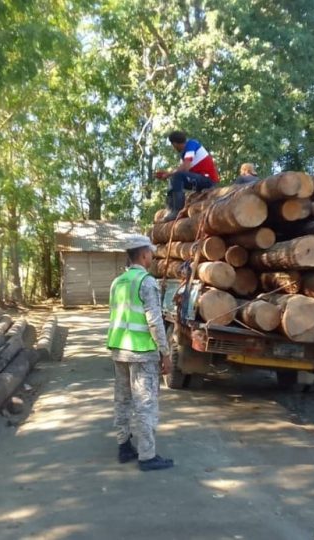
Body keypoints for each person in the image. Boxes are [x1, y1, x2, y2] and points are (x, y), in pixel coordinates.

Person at [107, 234, 174, 471]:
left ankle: (124, 446)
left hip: (119, 350)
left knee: (123, 400)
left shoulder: (118, 282)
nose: (152, 257)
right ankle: (147, 456)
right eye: (151, 253)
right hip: (142, 352)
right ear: (143, 254)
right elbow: (154, 322)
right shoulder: (146, 282)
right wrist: (165, 353)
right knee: (145, 403)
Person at [155, 130, 219, 222]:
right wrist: (167, 173)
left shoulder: (191, 145)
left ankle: (176, 210)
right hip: (200, 179)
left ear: (174, 144)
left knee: (176, 176)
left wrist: (168, 174)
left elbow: (185, 168)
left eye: (173, 145)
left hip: (208, 180)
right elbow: (183, 170)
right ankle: (170, 209)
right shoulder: (185, 154)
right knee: (175, 178)